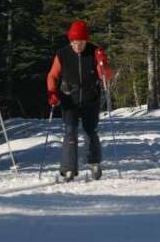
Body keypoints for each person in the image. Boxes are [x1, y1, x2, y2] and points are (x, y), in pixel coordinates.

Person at [46, 20, 112, 182]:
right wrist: (52, 92)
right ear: (70, 40)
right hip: (69, 99)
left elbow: (106, 76)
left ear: (86, 40)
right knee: (70, 132)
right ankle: (69, 169)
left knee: (90, 131)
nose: (77, 46)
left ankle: (94, 163)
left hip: (91, 98)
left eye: (81, 42)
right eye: (74, 42)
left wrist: (102, 62)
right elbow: (52, 75)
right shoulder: (62, 54)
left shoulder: (94, 52)